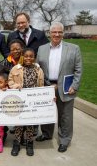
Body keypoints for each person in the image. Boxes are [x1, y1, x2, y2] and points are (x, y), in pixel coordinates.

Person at [36, 22, 82, 153]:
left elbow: (78, 69)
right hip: (47, 86)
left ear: (63, 34)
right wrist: (43, 84)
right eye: (54, 32)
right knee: (46, 112)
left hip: (66, 87)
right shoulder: (42, 48)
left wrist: (75, 85)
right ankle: (46, 134)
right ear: (49, 33)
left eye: (60, 32)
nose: (57, 34)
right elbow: (38, 68)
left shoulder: (74, 48)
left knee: (65, 116)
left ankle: (64, 140)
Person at [8, 48, 44, 156]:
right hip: (20, 101)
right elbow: (10, 81)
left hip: (32, 101)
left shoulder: (38, 69)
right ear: (23, 56)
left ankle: (29, 143)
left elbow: (41, 86)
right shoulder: (16, 68)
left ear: (34, 57)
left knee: (30, 124)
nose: (29, 58)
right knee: (19, 123)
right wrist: (15, 86)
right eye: (26, 56)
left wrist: (46, 96)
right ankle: (17, 143)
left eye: (31, 56)